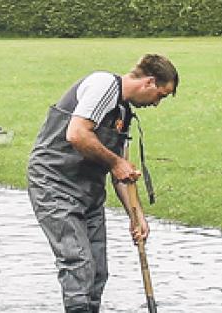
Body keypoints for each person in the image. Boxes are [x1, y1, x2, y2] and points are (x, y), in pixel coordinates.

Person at [27, 54, 179, 313]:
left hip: (88, 191)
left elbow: (120, 172)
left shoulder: (123, 112)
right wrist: (116, 163)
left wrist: (136, 215)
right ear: (149, 82)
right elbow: (76, 134)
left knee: (97, 270)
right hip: (54, 184)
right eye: (160, 95)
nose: (157, 104)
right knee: (78, 263)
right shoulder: (103, 85)